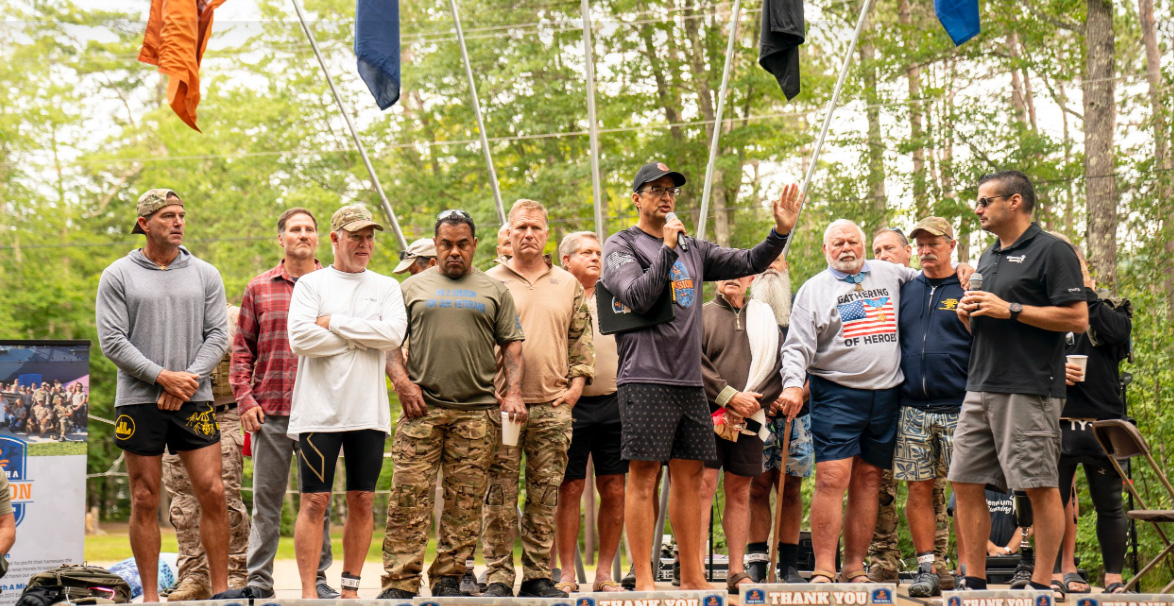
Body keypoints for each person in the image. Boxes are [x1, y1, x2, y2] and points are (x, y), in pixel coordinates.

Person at [600, 161, 803, 591]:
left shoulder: (695, 249)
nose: (665, 195)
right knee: (644, 476)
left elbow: (748, 259)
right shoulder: (621, 244)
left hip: (690, 382)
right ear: (637, 199)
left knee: (691, 479)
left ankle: (693, 577)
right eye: (654, 189)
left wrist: (780, 232)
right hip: (645, 378)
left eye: (671, 189)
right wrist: (669, 251)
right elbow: (636, 296)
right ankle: (646, 581)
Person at [950, 170, 1088, 593]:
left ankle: (1043, 582)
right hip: (980, 385)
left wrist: (1009, 308)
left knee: (1039, 484)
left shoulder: (1052, 251)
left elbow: (1077, 317)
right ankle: (973, 578)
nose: (977, 209)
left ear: (1014, 202)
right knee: (964, 480)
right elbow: (992, 317)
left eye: (984, 201)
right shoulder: (989, 254)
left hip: (1029, 387)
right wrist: (970, 316)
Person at [380, 209, 525, 599]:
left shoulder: (494, 289)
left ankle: (449, 575)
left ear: (474, 245)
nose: (455, 252)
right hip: (420, 411)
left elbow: (512, 342)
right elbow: (390, 342)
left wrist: (513, 391)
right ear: (435, 246)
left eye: (463, 244)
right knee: (407, 500)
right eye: (446, 244)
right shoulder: (411, 288)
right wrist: (402, 382)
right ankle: (400, 581)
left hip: (477, 413)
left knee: (465, 505)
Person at [96, 188, 230, 603]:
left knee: (213, 491)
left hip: (194, 396)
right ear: (144, 223)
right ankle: (151, 597)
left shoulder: (205, 273)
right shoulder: (117, 274)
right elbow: (112, 341)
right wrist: (161, 378)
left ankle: (221, 591)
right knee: (144, 497)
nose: (178, 222)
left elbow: (219, 335)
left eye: (181, 214)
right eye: (168, 215)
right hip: (138, 401)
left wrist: (185, 379)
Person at [287, 204, 407, 598]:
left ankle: (351, 589)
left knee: (362, 499)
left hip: (367, 414)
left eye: (369, 237)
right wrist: (364, 335)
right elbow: (300, 340)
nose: (364, 244)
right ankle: (308, 591)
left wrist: (335, 323)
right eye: (355, 236)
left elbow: (392, 337)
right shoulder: (311, 285)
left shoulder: (386, 287)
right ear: (336, 239)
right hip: (318, 414)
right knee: (314, 500)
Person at [480, 200, 594, 598]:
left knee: (545, 496)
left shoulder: (567, 284)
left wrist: (576, 388)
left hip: (552, 408)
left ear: (547, 235)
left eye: (536, 228)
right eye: (520, 228)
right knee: (499, 496)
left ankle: (537, 576)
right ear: (508, 234)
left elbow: (581, 339)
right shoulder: (488, 281)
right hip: (500, 410)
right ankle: (496, 575)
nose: (528, 234)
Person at [230, 208, 338, 600]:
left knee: (317, 502)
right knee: (266, 504)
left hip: (321, 415)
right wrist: (244, 399)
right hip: (270, 411)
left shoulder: (334, 286)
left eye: (310, 229)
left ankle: (320, 579)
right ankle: (259, 581)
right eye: (295, 229)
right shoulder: (258, 288)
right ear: (282, 239)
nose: (303, 235)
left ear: (319, 238)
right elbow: (242, 350)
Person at [866, 226, 953, 587]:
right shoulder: (874, 292)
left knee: (933, 486)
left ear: (907, 254)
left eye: (889, 249)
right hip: (884, 399)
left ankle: (937, 564)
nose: (882, 255)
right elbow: (844, 323)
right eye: (877, 250)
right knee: (880, 484)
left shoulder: (926, 282)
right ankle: (883, 558)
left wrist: (962, 269)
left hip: (936, 403)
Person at [892, 218, 972, 597]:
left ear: (951, 244)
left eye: (933, 243)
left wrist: (971, 270)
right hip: (912, 407)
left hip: (961, 405)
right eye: (920, 245)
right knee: (918, 489)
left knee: (967, 491)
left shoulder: (969, 284)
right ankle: (927, 568)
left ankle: (969, 570)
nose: (926, 250)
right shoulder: (906, 286)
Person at [1050, 236, 1132, 595]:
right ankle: (1051, 573)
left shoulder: (1109, 307)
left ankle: (1113, 579)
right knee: (1051, 500)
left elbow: (1118, 333)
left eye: (1077, 268)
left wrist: (1084, 292)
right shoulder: (1046, 308)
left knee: (1110, 503)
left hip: (1104, 423)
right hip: (1057, 420)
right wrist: (1054, 367)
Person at [699, 273, 784, 593]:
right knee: (703, 488)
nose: (732, 279)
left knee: (740, 491)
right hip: (707, 415)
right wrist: (727, 397)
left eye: (739, 274)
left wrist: (749, 402)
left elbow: (777, 366)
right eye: (725, 274)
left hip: (750, 416)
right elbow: (695, 361)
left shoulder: (764, 318)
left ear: (751, 280)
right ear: (716, 280)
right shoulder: (701, 314)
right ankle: (694, 568)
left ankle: (736, 571)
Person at [160, 303, 249, 601]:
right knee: (183, 500)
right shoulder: (170, 318)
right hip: (179, 414)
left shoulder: (234, 316)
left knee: (223, 494)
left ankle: (235, 572)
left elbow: (253, 361)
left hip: (223, 413)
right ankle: (193, 575)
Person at [554, 231, 627, 593]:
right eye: (586, 252)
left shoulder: (615, 296)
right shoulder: (557, 293)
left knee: (614, 488)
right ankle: (567, 573)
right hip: (568, 403)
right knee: (569, 488)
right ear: (566, 260)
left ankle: (603, 574)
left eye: (599, 252)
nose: (596, 258)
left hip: (614, 401)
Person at [746, 255, 813, 584]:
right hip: (754, 413)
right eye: (763, 264)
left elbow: (821, 357)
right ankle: (757, 562)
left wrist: (801, 392)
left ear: (787, 270)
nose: (770, 268)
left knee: (791, 488)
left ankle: (788, 564)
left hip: (797, 414)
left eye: (777, 263)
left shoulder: (802, 310)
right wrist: (763, 401)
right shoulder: (744, 315)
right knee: (755, 487)